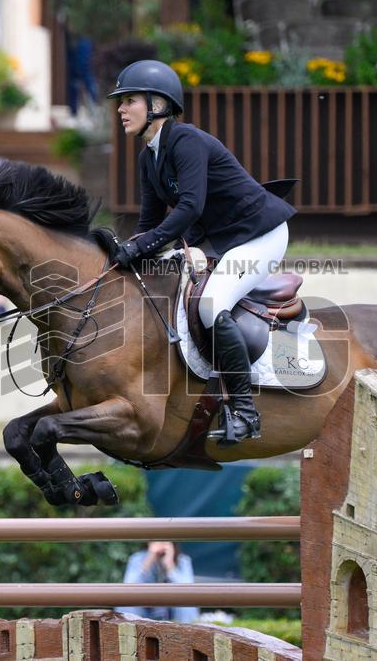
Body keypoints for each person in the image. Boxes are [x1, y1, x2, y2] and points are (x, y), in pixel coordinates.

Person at [107, 60, 296, 444]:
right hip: (224, 239)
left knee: (211, 305)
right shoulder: (149, 157)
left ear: (157, 104)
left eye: (129, 101)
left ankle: (245, 412)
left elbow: (190, 207)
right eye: (120, 103)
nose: (121, 110)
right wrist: (125, 254)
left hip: (260, 235)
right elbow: (149, 221)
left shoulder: (186, 141)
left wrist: (142, 246)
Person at [115, 541, 199, 623]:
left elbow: (188, 590)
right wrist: (149, 559)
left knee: (187, 604)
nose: (161, 543)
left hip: (172, 610)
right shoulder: (137, 558)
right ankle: (127, 629)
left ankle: (187, 630)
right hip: (145, 607)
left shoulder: (182, 560)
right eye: (156, 540)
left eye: (165, 540)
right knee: (126, 601)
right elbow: (129, 586)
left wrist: (170, 566)